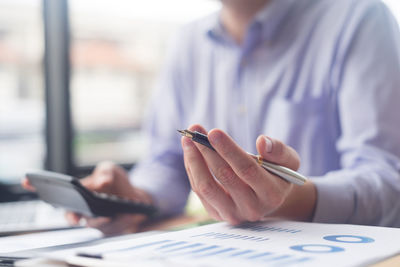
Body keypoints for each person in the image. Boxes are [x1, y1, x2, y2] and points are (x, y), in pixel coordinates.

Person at [24, 0, 400, 235]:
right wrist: (135, 195)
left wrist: (291, 199)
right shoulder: (187, 42)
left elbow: (388, 180)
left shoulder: (359, 17)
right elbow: (166, 164)